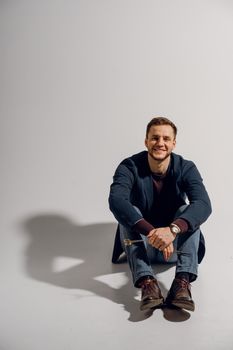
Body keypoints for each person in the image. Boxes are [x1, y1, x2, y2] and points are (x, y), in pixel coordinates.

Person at [108, 116, 212, 312]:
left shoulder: (186, 167)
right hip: (142, 244)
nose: (160, 143)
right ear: (146, 141)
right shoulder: (129, 166)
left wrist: (173, 230)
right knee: (129, 212)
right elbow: (116, 201)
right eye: (155, 138)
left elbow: (204, 204)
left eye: (166, 138)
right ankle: (148, 283)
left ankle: (182, 284)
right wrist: (151, 232)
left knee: (187, 211)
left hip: (175, 247)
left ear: (173, 143)